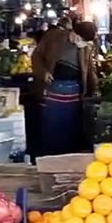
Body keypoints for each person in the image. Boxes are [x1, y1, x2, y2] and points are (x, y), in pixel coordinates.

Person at [27, 20, 96, 159]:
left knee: (70, 129)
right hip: (53, 91)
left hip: (74, 94)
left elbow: (89, 70)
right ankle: (49, 158)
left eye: (84, 42)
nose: (81, 43)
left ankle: (68, 158)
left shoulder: (85, 47)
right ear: (74, 32)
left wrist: (93, 88)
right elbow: (36, 56)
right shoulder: (53, 37)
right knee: (52, 129)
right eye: (80, 39)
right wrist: (43, 73)